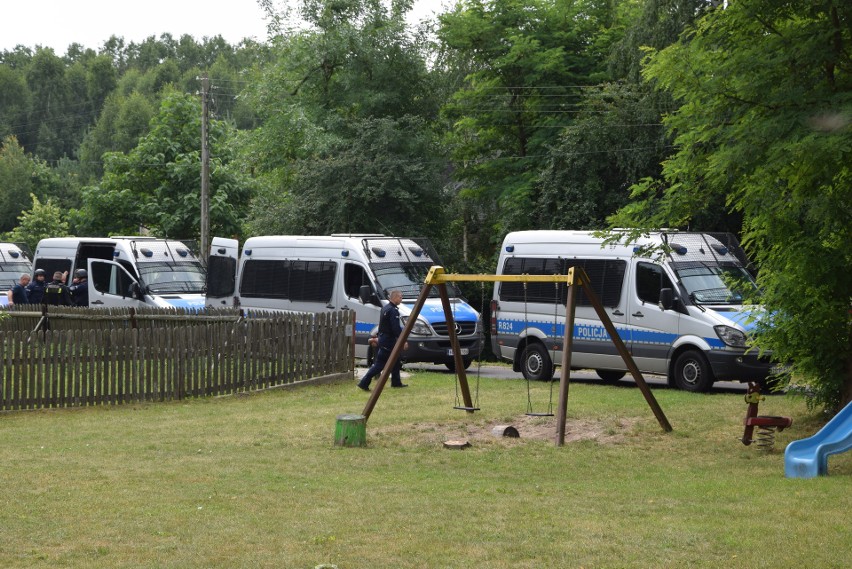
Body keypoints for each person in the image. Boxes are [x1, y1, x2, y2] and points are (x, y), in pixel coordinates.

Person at [357, 289, 409, 391]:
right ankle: (364, 382)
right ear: (394, 297)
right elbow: (395, 328)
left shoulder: (385, 308)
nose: (401, 299)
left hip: (383, 339)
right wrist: (403, 340)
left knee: (395, 360)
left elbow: (382, 325)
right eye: (400, 297)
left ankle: (396, 382)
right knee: (380, 364)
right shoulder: (393, 311)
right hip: (389, 341)